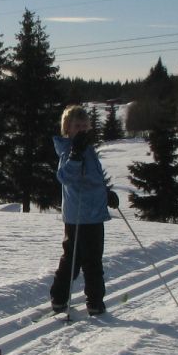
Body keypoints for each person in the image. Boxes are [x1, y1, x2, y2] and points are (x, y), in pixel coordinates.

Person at [49, 104, 119, 316]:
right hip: (79, 215)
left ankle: (94, 302)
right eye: (76, 126)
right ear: (67, 129)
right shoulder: (70, 150)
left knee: (92, 260)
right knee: (74, 260)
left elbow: (92, 178)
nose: (81, 130)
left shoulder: (87, 148)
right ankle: (60, 298)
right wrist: (76, 155)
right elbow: (65, 177)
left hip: (94, 213)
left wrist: (106, 192)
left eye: (84, 126)